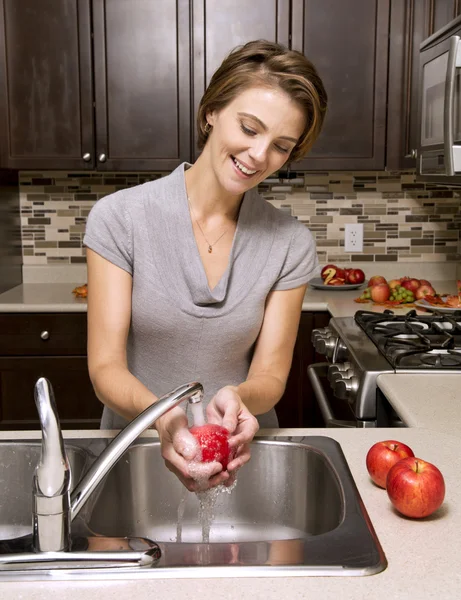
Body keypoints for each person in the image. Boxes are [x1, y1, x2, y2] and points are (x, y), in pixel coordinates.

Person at [83, 39, 327, 492]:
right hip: (133, 448)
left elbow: (271, 374)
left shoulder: (290, 243)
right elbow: (105, 368)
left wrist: (240, 397)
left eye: (281, 146)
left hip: (241, 457)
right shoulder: (119, 219)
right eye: (249, 128)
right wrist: (164, 416)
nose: (258, 155)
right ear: (211, 111)